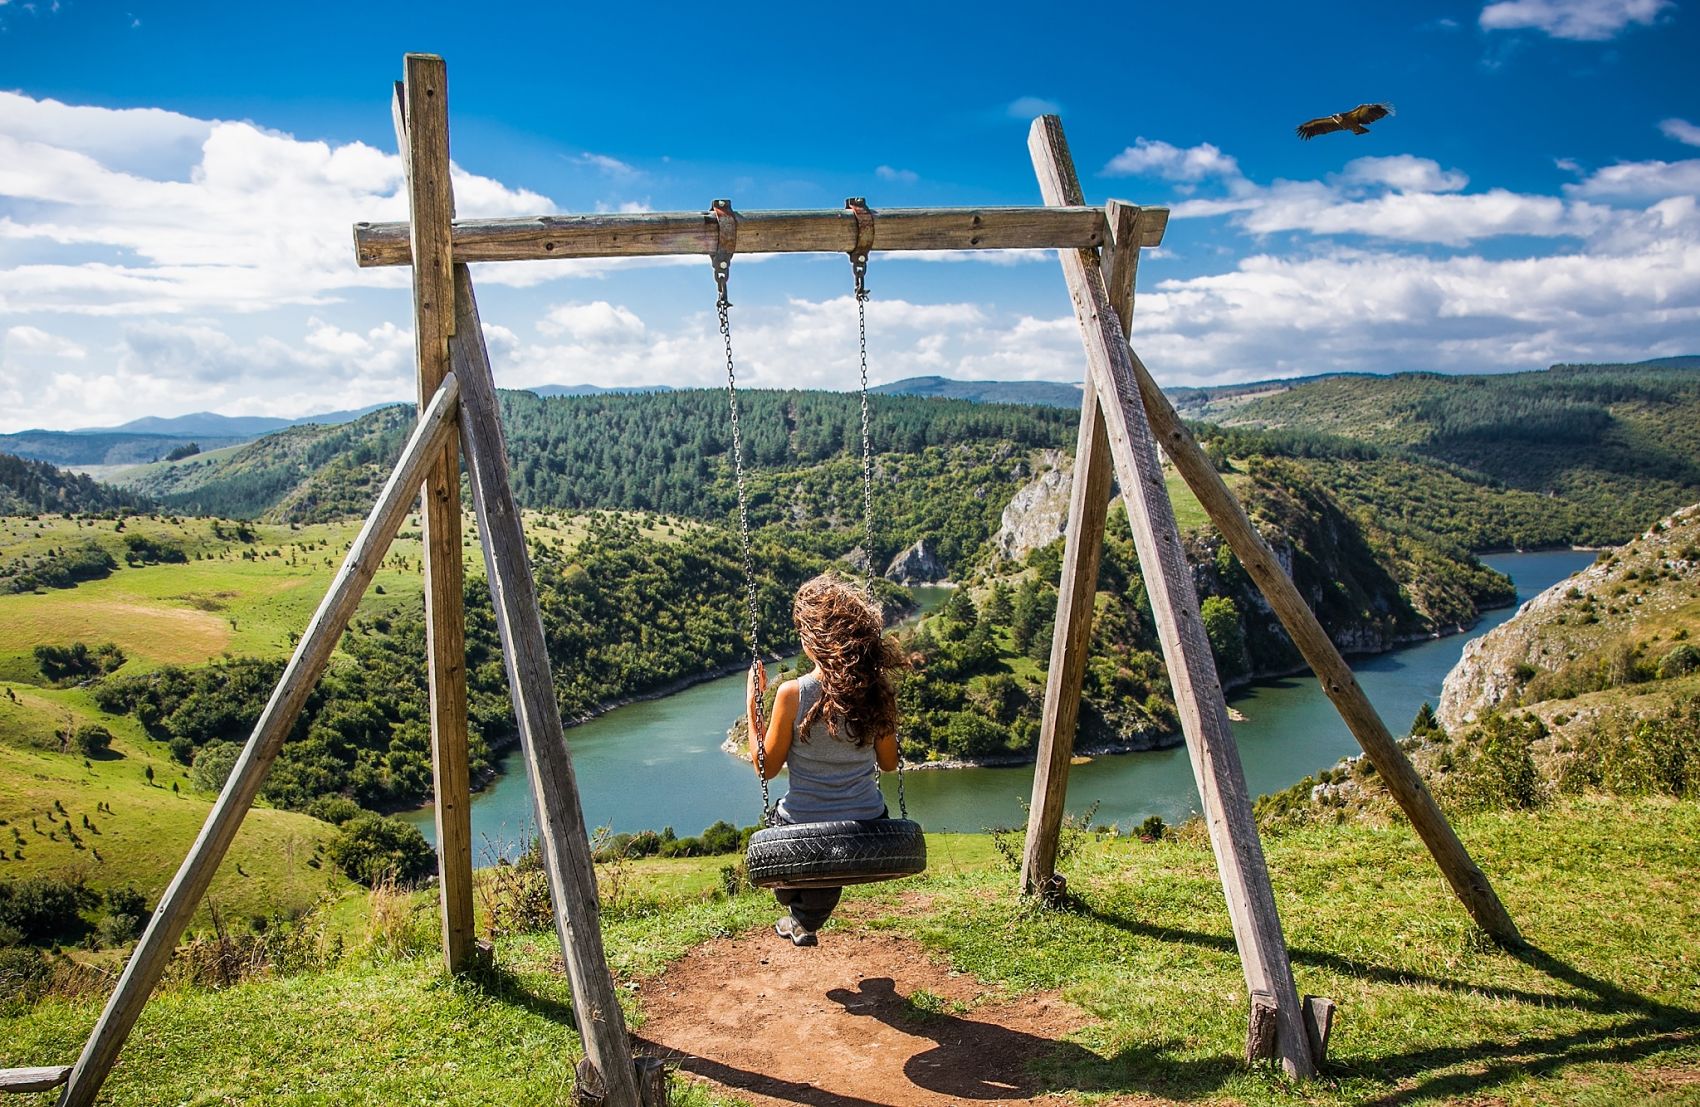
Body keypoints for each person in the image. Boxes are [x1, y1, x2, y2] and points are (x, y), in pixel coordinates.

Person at [746, 573, 906, 947]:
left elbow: (765, 768)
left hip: (803, 824)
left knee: (807, 846)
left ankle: (799, 909)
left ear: (812, 640)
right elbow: (887, 764)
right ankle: (801, 915)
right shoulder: (877, 691)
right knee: (830, 853)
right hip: (867, 821)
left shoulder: (793, 693)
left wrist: (753, 703)